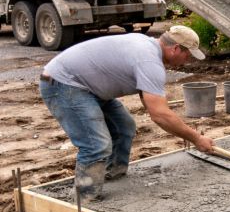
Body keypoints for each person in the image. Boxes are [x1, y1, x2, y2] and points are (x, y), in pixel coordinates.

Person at [40, 25, 215, 200]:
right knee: (96, 145)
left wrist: (166, 117)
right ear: (175, 48)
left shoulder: (148, 48)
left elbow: (150, 102)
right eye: (188, 54)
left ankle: (112, 174)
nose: (188, 59)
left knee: (124, 127)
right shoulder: (148, 61)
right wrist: (196, 139)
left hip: (88, 86)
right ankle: (84, 199)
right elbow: (159, 115)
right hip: (64, 84)